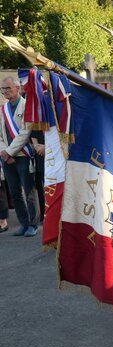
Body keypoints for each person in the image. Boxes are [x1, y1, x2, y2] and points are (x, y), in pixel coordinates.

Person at [0, 76, 40, 237]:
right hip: (7, 156)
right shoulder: (3, 109)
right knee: (14, 190)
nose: (5, 91)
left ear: (18, 88)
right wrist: (5, 152)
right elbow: (0, 135)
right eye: (3, 89)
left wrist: (10, 151)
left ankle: (33, 223)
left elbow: (25, 133)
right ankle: (23, 222)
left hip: (22, 155)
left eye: (8, 88)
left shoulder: (26, 106)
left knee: (29, 190)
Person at [30, 130, 45, 221]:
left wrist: (48, 148)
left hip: (56, 155)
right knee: (41, 187)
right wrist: (37, 147)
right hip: (40, 155)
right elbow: (33, 134)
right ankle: (44, 214)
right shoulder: (37, 116)